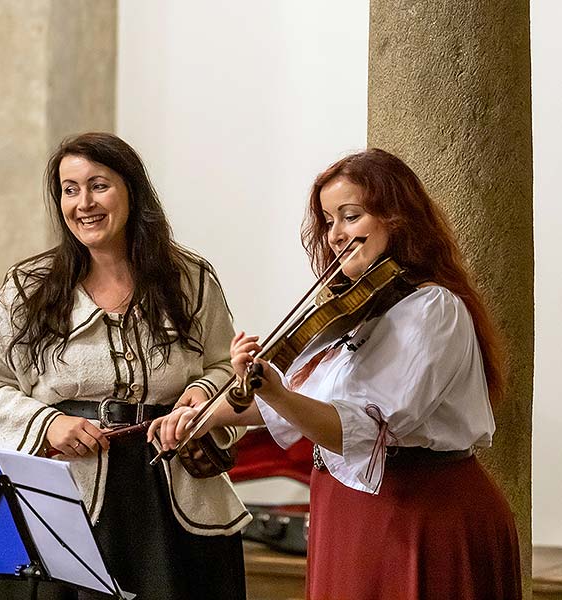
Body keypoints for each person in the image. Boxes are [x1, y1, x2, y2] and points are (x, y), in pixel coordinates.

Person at [152, 148, 522, 600]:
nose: (336, 235)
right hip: (348, 508)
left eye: (350, 216)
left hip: (418, 509)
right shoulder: (353, 311)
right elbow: (298, 403)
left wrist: (276, 392)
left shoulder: (433, 309)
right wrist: (207, 415)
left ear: (397, 218)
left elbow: (368, 430)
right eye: (329, 221)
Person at [0, 132, 250, 599]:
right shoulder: (29, 286)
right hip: (60, 497)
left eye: (98, 185)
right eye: (69, 189)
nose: (83, 203)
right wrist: (46, 424)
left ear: (132, 190)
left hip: (169, 504)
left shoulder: (191, 279)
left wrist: (200, 396)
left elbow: (222, 367)